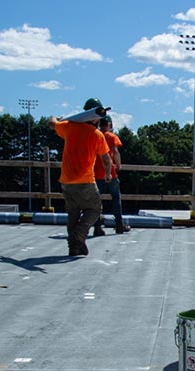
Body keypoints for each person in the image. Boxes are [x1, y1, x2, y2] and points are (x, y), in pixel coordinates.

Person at [49, 97, 112, 257]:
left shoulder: (69, 127)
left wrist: (57, 118)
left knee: (73, 213)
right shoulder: (97, 135)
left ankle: (74, 247)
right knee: (95, 209)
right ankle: (80, 234)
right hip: (85, 181)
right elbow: (105, 158)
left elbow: (51, 123)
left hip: (66, 180)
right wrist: (108, 173)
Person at [92, 115, 130, 236]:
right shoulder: (111, 136)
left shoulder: (94, 135)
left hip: (95, 173)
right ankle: (119, 225)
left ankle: (97, 227)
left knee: (96, 201)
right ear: (109, 125)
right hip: (110, 173)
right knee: (116, 198)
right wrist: (118, 165)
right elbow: (115, 151)